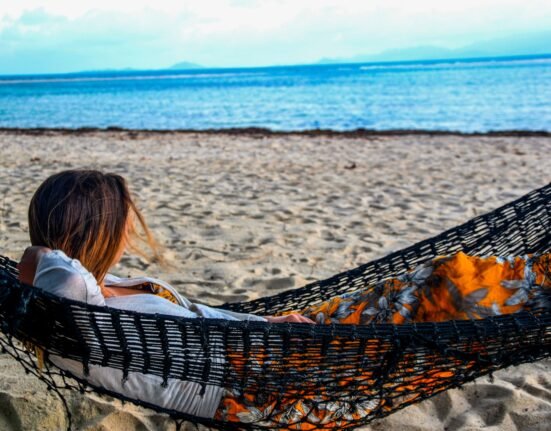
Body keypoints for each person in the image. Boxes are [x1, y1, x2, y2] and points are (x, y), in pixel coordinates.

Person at [18, 170, 549, 426]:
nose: (133, 227)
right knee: (445, 295)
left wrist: (274, 323)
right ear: (92, 229)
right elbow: (54, 274)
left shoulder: (94, 292)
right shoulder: (71, 306)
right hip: (262, 386)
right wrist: (39, 249)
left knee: (423, 283)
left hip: (270, 346)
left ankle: (535, 283)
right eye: (123, 217)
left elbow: (197, 322)